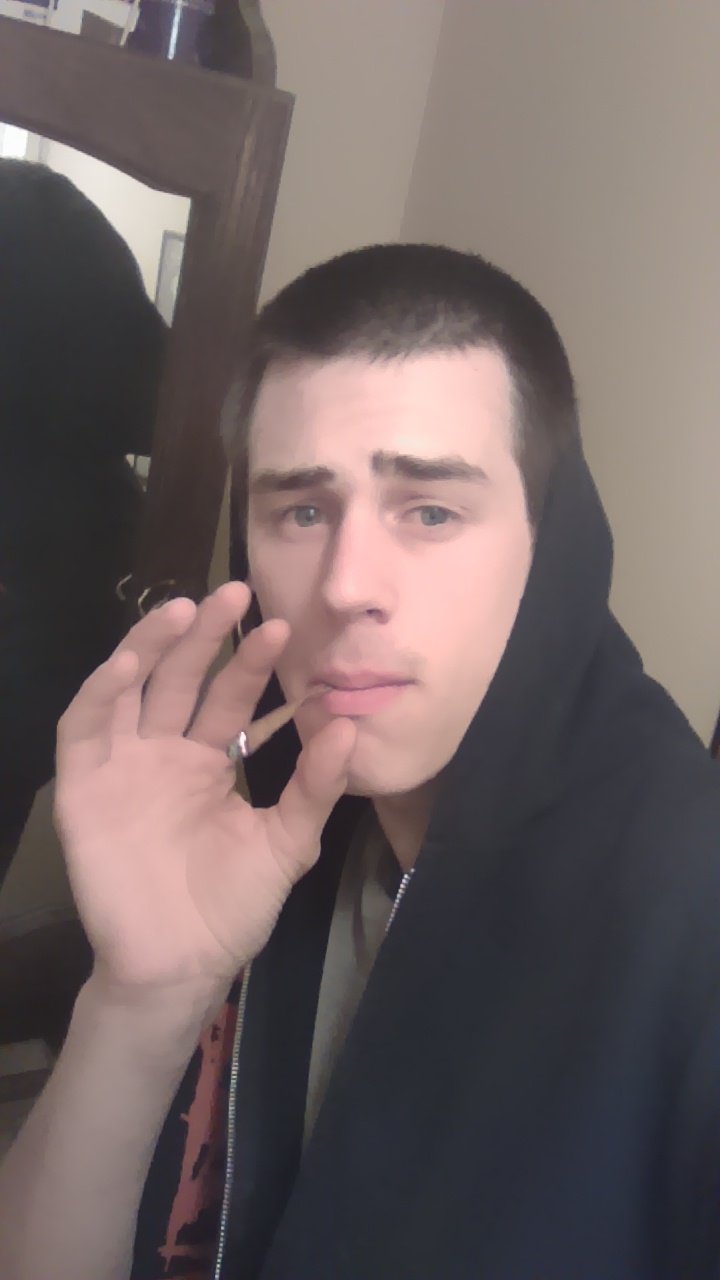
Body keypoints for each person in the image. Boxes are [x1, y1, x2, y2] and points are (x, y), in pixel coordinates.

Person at [0, 243, 718, 1280]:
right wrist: (140, 993)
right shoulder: (269, 832)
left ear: (551, 543)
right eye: (302, 510)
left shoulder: (687, 912)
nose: (344, 584)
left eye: (430, 509)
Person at [0, 160, 166, 880]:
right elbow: (153, 401)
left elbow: (152, 400)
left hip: (49, 607)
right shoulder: (46, 215)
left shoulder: (36, 214)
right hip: (61, 607)